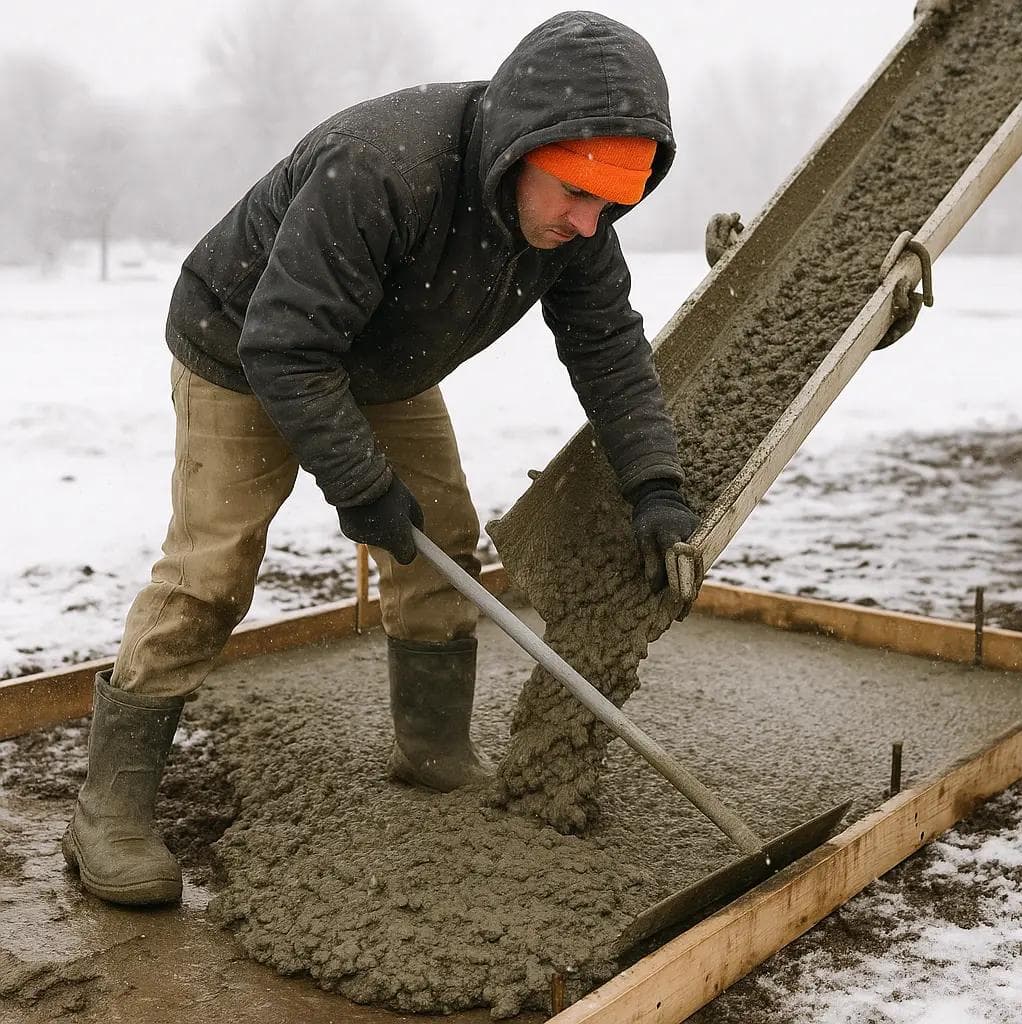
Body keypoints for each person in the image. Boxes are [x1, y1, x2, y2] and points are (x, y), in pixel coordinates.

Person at [63, 10, 701, 907]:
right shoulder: (382, 167)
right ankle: (110, 810)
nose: (591, 222)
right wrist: (359, 483)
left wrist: (656, 486)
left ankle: (433, 750)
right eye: (575, 194)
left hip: (381, 356)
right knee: (211, 572)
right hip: (244, 343)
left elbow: (609, 349)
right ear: (523, 147)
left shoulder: (578, 228)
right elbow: (284, 347)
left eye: (613, 204)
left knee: (443, 537)